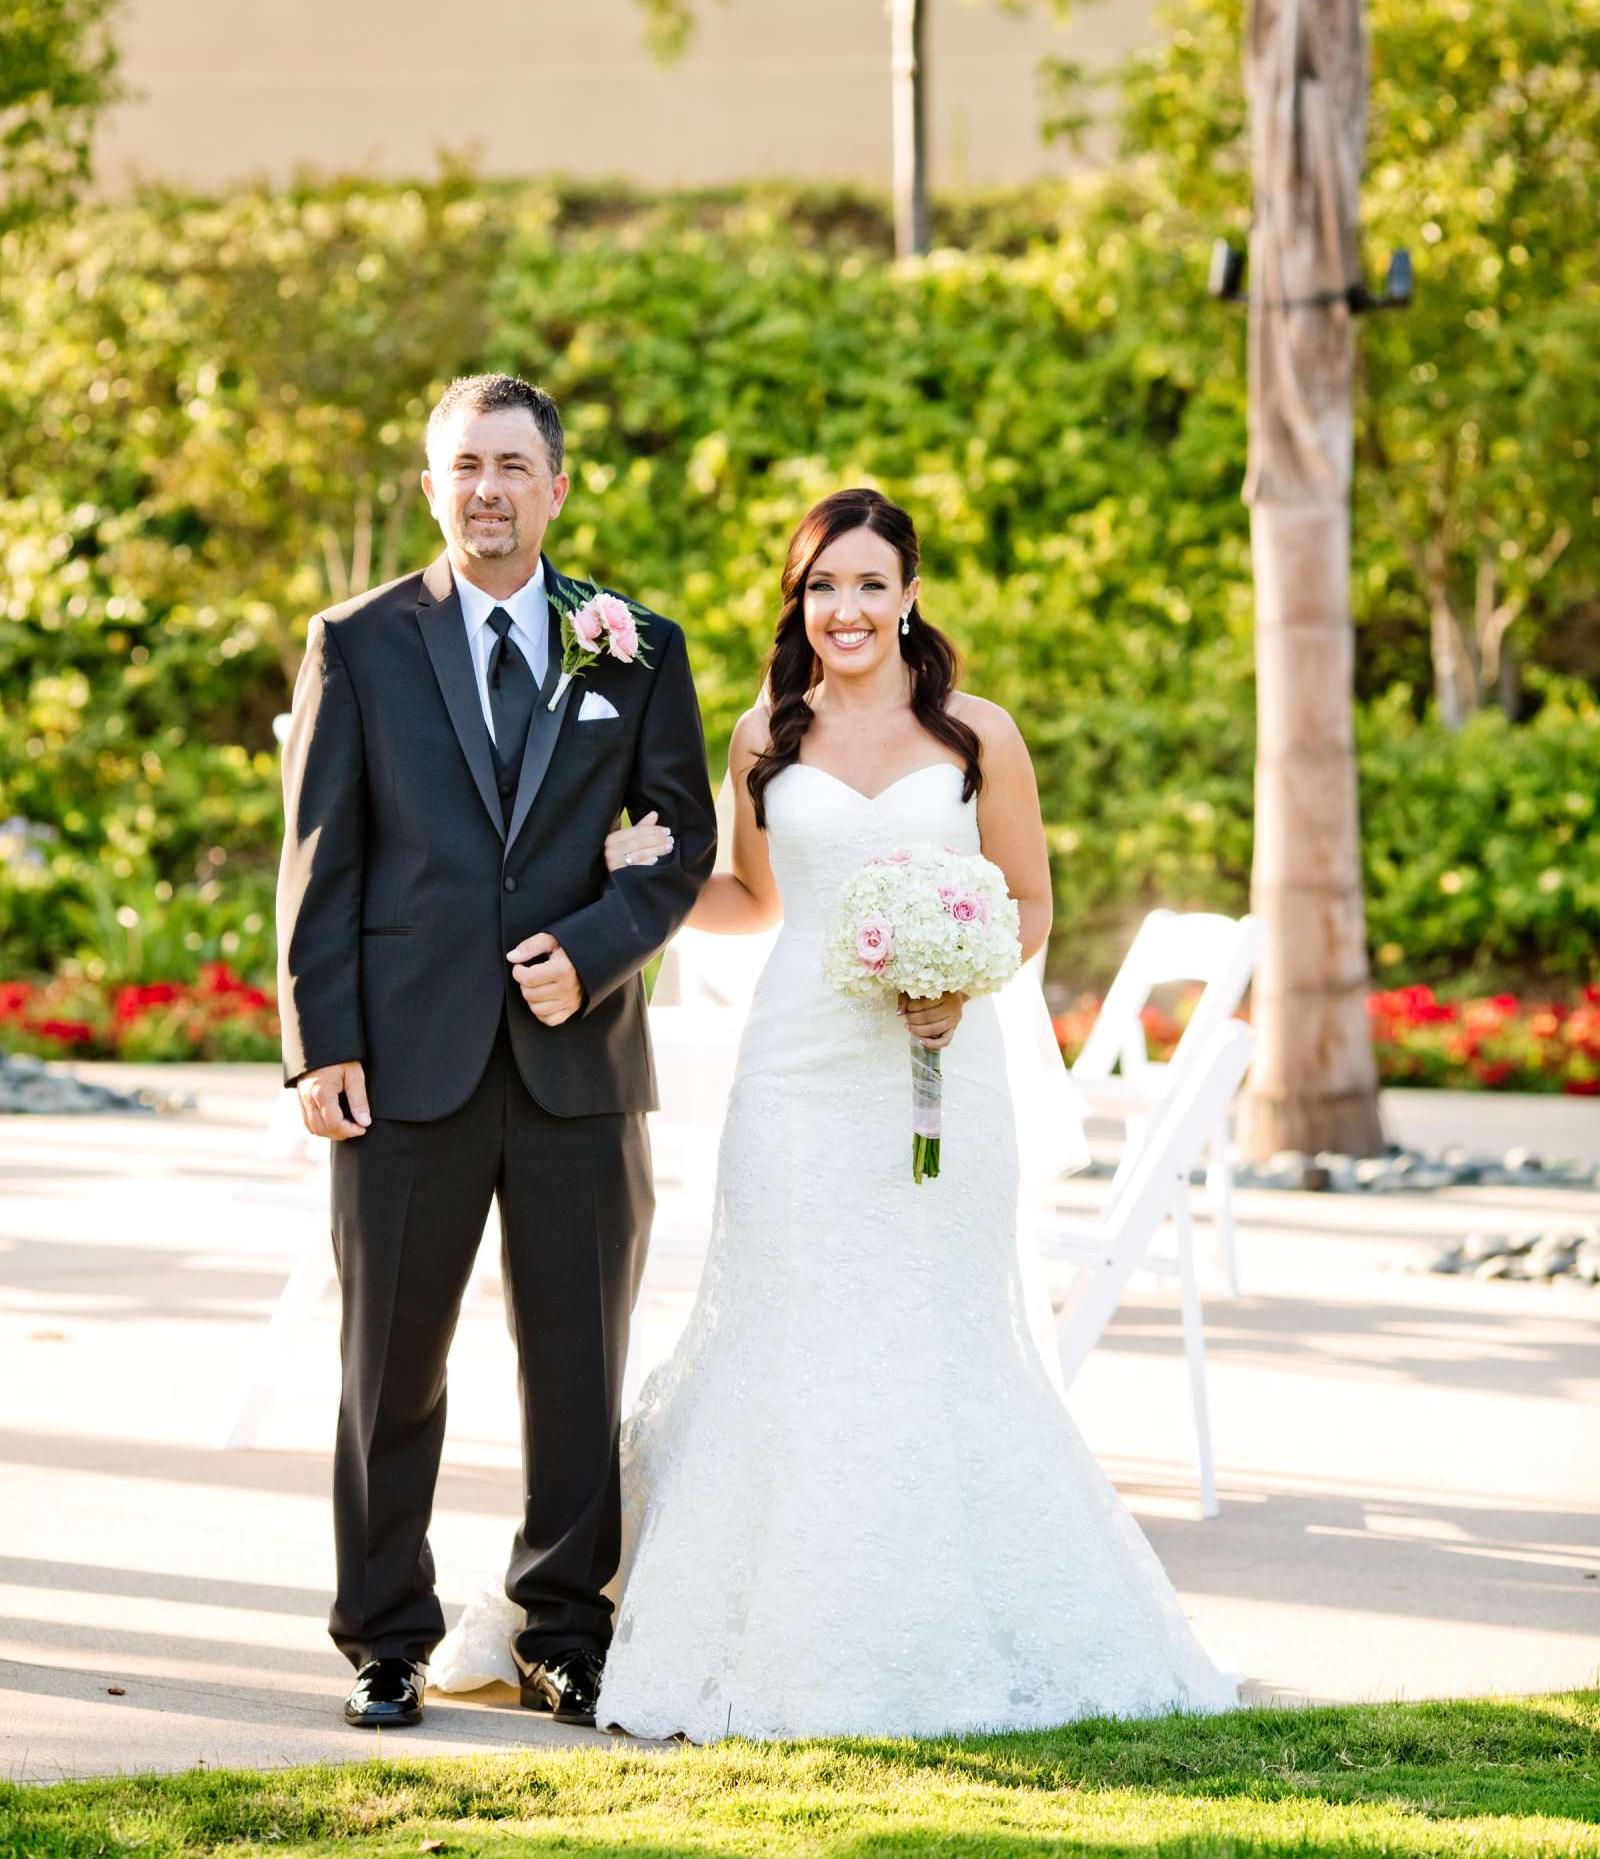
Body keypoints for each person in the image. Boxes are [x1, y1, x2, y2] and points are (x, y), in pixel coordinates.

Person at [593, 485, 1237, 1739]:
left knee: (933, 1327)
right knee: (787, 1317)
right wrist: (653, 879)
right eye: (822, 586)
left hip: (944, 1065)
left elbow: (1030, 900)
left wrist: (962, 977)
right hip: (795, 1071)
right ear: (800, 600)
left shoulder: (977, 733)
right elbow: (753, 899)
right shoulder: (761, 736)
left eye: (869, 584)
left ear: (910, 595)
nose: (845, 608)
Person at [275, 373, 717, 1731]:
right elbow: (318, 861)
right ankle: (385, 1638)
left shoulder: (634, 643)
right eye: (463, 465)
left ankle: (567, 1629)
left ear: (557, 486)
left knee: (576, 1362)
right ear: (430, 487)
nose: (487, 488)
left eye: (513, 465)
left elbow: (680, 836)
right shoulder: (356, 643)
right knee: (388, 1366)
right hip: (403, 1063)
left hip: (579, 1066)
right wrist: (320, 1047)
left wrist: (595, 950)